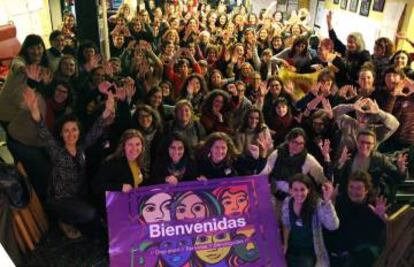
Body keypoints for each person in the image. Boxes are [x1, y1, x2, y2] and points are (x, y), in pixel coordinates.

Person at [24, 88, 115, 239]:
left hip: (80, 196)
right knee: (90, 214)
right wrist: (34, 111)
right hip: (60, 200)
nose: (71, 134)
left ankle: (103, 232)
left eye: (74, 130)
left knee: (101, 207)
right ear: (61, 133)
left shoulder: (81, 147)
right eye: (66, 131)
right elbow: (43, 132)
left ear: (79, 132)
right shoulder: (56, 150)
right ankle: (65, 220)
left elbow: (96, 130)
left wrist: (107, 111)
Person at [325, 171, 387, 267]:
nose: (354, 192)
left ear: (366, 190)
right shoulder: (341, 200)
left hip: (363, 250)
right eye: (351, 187)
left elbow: (385, 228)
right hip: (341, 249)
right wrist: (331, 201)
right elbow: (332, 226)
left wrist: (381, 216)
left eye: (358, 188)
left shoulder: (374, 205)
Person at [281, 173, 339, 267]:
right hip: (292, 248)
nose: (299, 193)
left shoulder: (317, 204)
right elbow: (286, 223)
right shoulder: (288, 202)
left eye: (302, 189)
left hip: (309, 251)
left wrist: (328, 202)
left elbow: (333, 226)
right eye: (295, 190)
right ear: (290, 190)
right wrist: (285, 244)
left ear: (309, 190)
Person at [335, 129, 407, 202]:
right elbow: (336, 176)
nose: (364, 145)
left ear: (374, 145)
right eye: (362, 142)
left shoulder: (380, 159)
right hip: (349, 196)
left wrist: (401, 169)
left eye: (368, 143)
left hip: (370, 199)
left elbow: (398, 178)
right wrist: (340, 163)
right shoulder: (348, 155)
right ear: (357, 142)